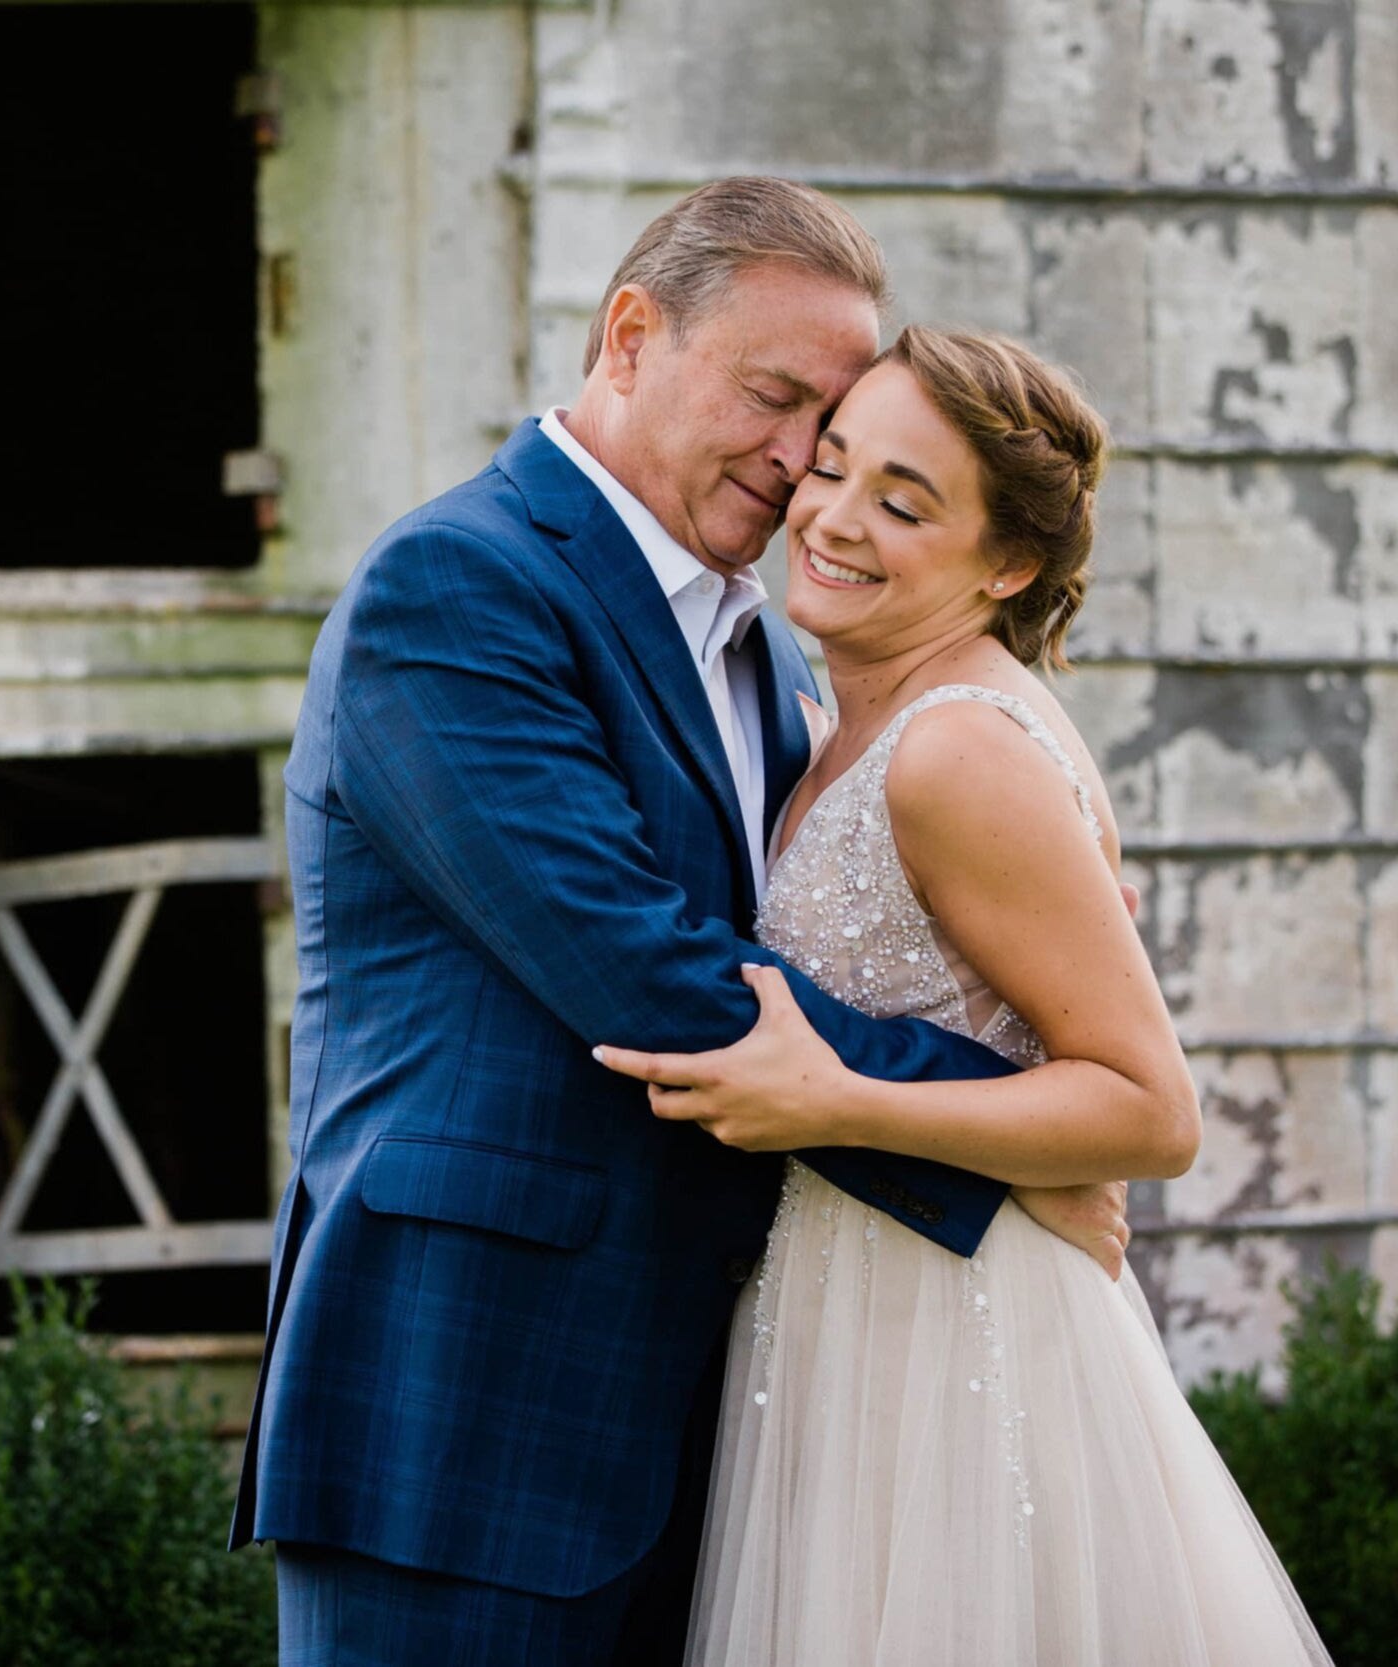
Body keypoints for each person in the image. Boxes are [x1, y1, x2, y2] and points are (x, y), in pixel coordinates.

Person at [231, 177, 1132, 1665]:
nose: (798, 468)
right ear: (632, 335)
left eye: (831, 432)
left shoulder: (769, 654)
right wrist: (1016, 1125)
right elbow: (643, 973)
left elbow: (822, 935)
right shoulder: (458, 589)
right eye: (774, 400)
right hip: (467, 1414)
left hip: (722, 1426)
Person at [595, 326, 1333, 1664]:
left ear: (1007, 565)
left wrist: (842, 1100)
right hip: (845, 1310)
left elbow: (1149, 1111)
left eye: (903, 500)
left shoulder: (956, 754)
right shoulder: (840, 723)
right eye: (832, 467)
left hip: (963, 1337)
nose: (832, 517)